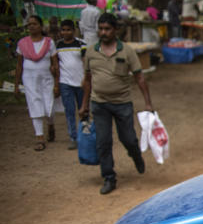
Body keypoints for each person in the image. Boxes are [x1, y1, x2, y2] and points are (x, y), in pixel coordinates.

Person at [79, 13, 152, 195]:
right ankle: (109, 177)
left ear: (115, 30)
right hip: (99, 104)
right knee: (103, 142)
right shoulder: (91, 52)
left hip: (122, 103)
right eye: (101, 29)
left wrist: (148, 103)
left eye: (107, 29)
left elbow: (140, 77)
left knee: (128, 138)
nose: (103, 32)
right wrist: (84, 104)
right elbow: (87, 80)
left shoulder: (127, 51)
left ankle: (135, 155)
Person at [14, 15, 58, 151]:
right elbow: (19, 65)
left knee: (48, 105)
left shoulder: (49, 42)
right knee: (34, 104)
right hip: (29, 79)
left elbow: (55, 64)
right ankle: (39, 137)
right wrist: (16, 85)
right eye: (29, 24)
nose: (31, 26)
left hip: (46, 78)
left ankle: (50, 124)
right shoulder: (22, 43)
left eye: (34, 24)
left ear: (41, 26)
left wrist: (57, 83)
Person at [55, 19, 86, 151]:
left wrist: (86, 78)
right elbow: (55, 64)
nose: (66, 32)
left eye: (68, 29)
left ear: (74, 30)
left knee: (83, 109)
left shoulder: (81, 44)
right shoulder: (57, 46)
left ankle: (84, 136)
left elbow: (85, 62)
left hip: (80, 82)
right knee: (69, 110)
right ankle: (73, 137)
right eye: (63, 30)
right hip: (65, 82)